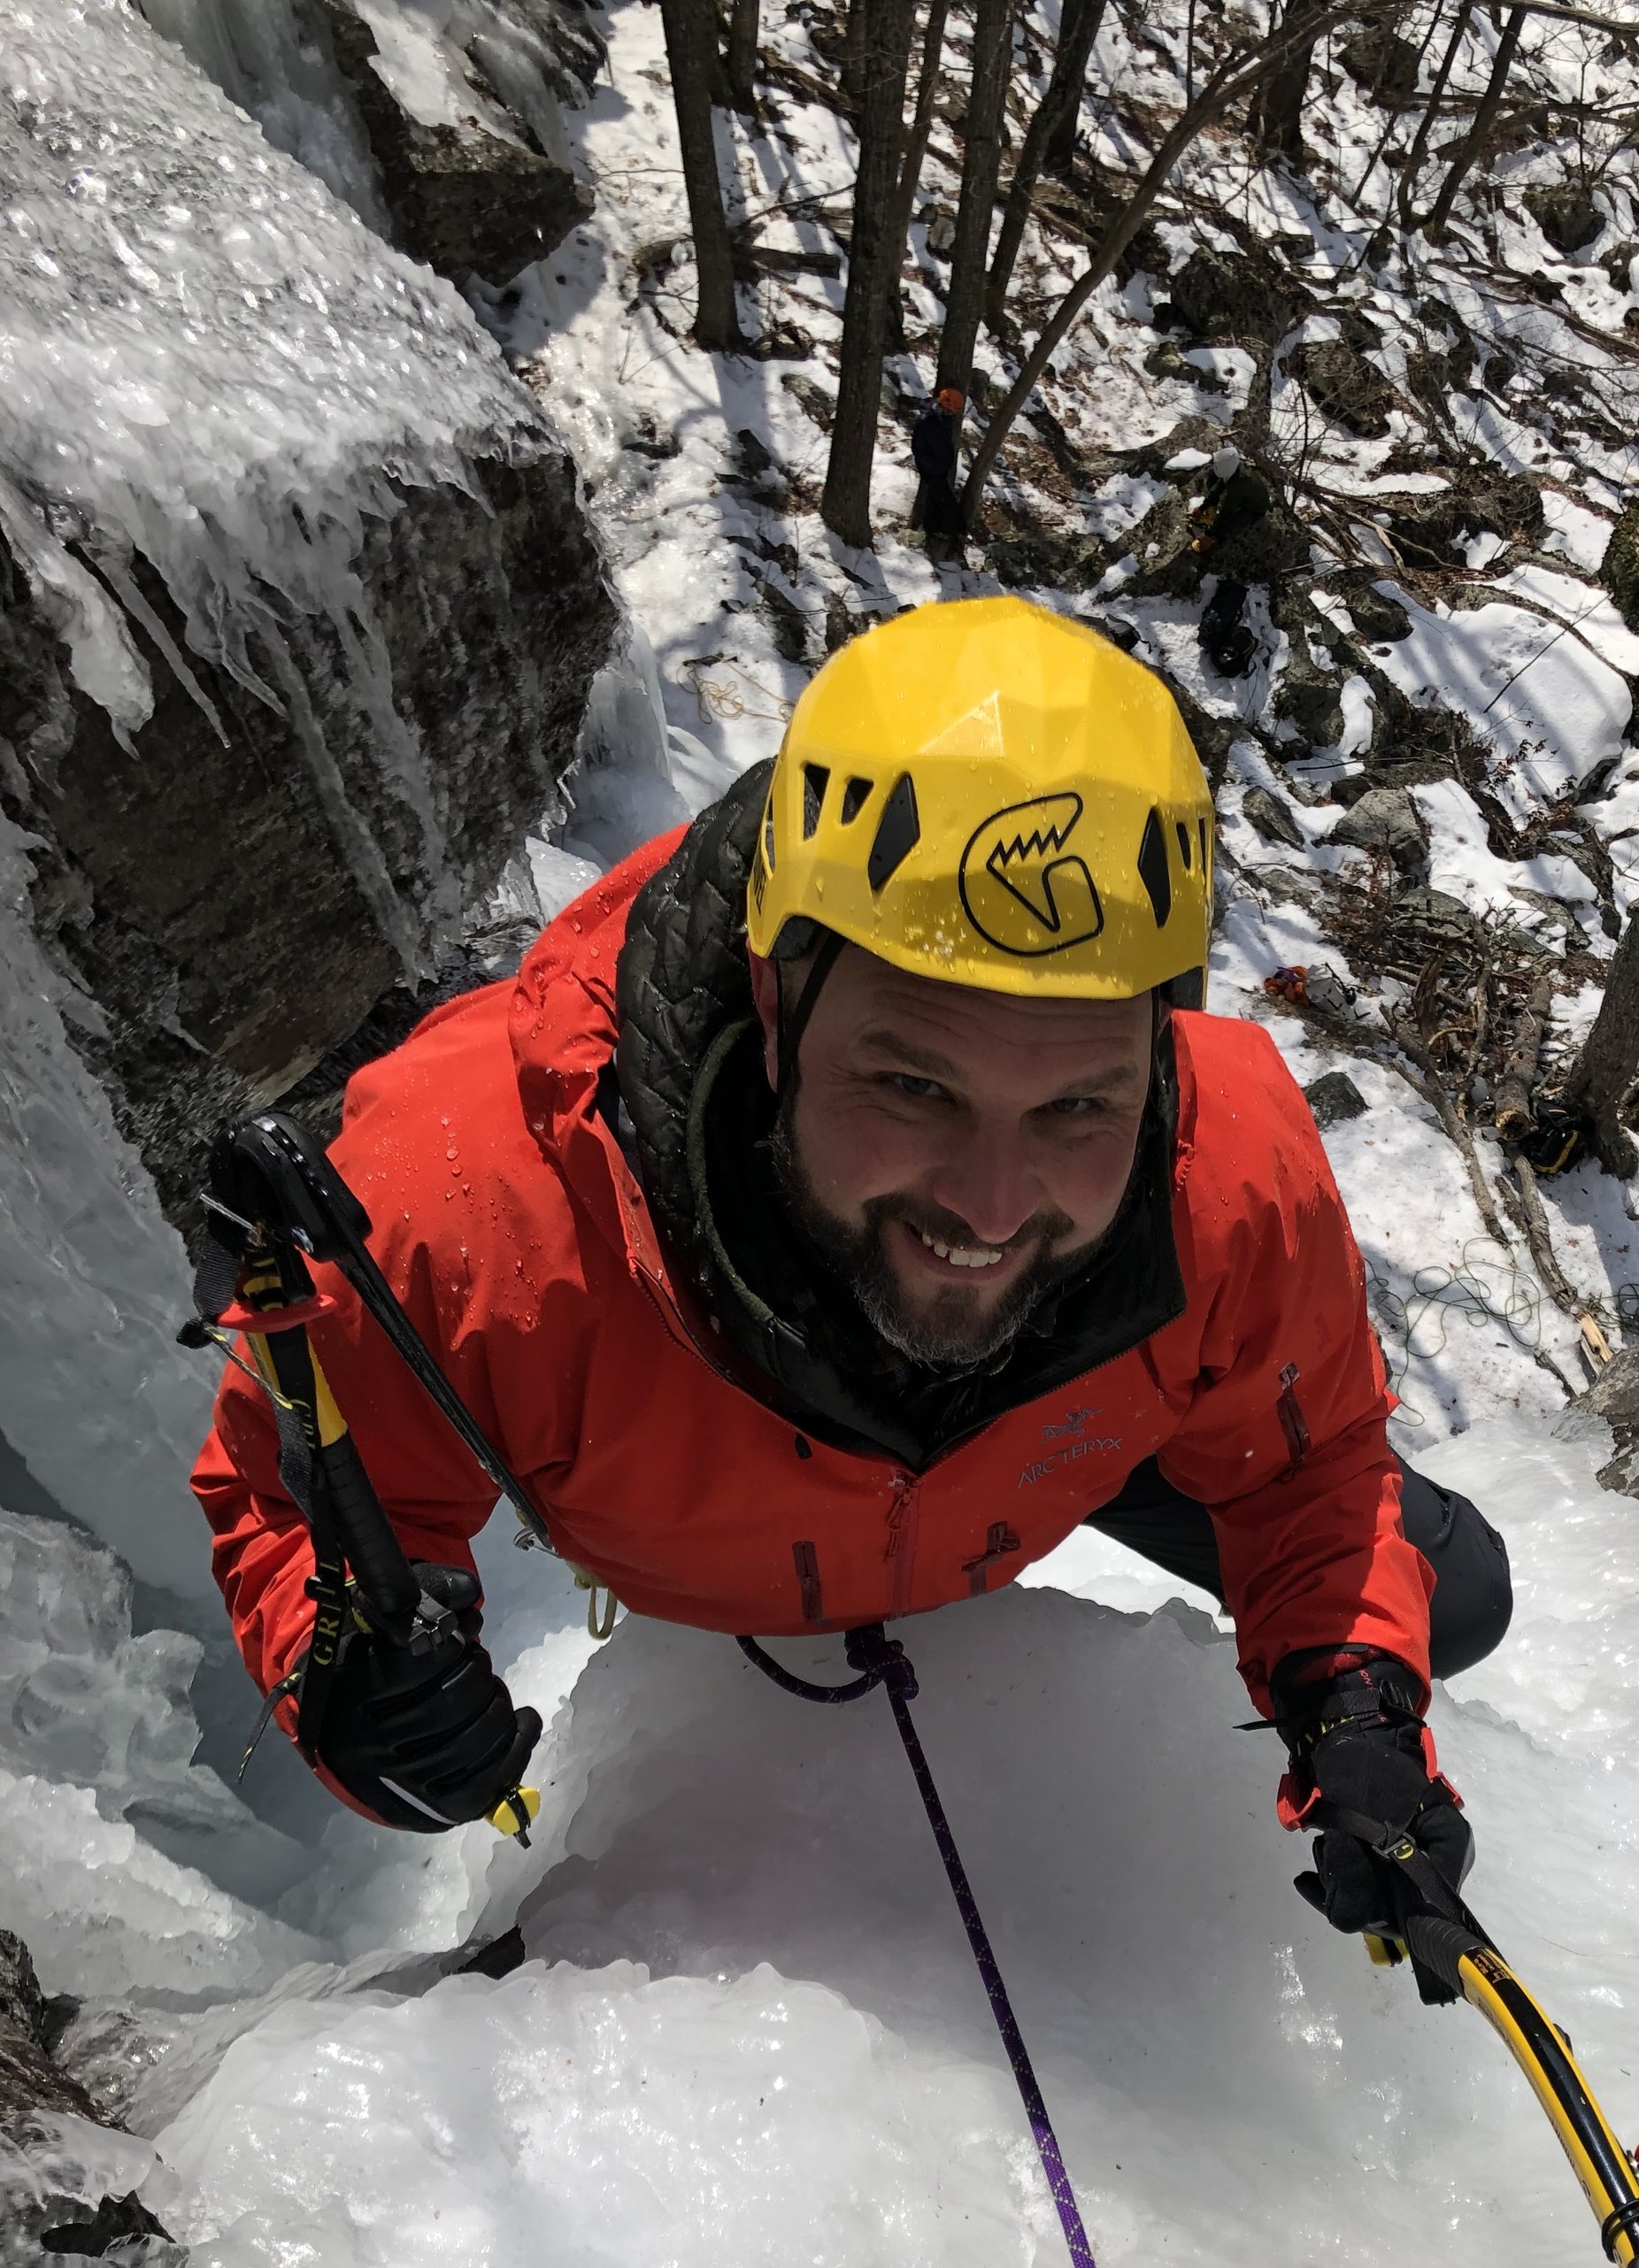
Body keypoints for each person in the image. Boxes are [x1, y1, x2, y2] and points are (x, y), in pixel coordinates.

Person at [193, 600, 1511, 1951]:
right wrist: (352, 1677)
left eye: (1077, 1108)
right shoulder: (459, 1200)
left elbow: (1310, 1472)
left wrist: (1355, 1706)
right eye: (913, 1084)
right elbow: (290, 1502)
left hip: (1053, 1431)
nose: (991, 1205)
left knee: (1449, 1598)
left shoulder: (1225, 1168)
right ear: (774, 997)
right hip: (722, 1474)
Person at [1191, 442, 1269, 677]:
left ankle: (1215, 540)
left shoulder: (1239, 485)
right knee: (1215, 496)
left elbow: (1226, 510)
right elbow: (1217, 492)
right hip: (1241, 498)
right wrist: (1204, 506)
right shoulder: (1231, 474)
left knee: (1233, 522)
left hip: (1254, 509)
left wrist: (1210, 534)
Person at [910, 385, 966, 561]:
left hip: (939, 465)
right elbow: (918, 447)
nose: (950, 414)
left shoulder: (943, 418)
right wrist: (931, 465)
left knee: (935, 497)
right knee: (943, 497)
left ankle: (933, 527)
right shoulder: (926, 420)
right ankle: (958, 527)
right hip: (930, 466)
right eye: (948, 410)